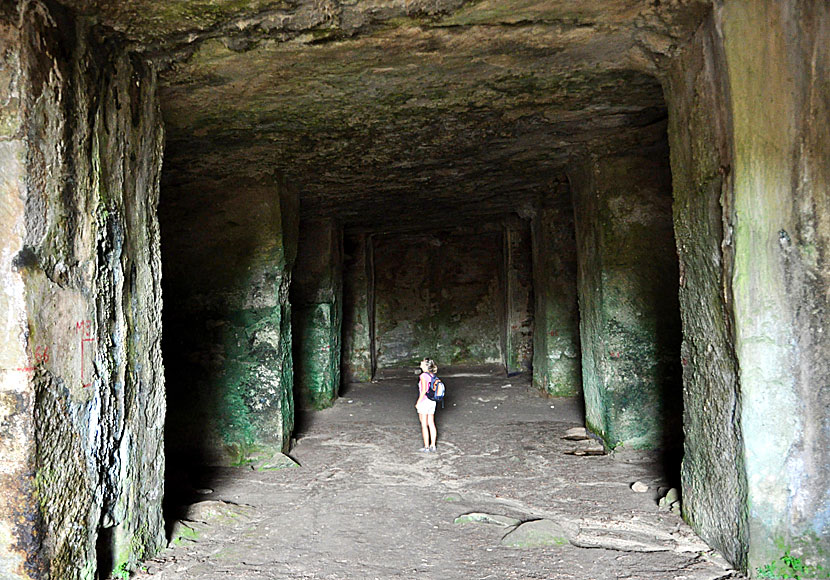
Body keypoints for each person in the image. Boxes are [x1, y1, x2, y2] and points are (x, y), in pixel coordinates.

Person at [415, 358, 438, 452]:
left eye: (422, 362)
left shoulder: (423, 375)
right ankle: (433, 445)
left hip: (424, 401)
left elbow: (424, 390)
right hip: (432, 401)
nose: (420, 363)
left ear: (425, 365)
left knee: (424, 424)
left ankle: (426, 447)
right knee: (431, 423)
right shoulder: (432, 375)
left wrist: (418, 402)